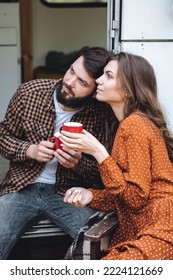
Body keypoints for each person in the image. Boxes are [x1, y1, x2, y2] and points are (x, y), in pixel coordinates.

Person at [0, 47, 118, 259]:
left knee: (98, 245)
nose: (70, 82)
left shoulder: (102, 113)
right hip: (21, 186)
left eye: (82, 83)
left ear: (94, 91)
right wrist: (30, 150)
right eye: (72, 71)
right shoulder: (29, 93)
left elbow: (103, 174)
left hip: (68, 193)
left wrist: (77, 164)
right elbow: (3, 138)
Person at [62, 52, 173, 260]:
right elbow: (127, 193)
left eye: (108, 76)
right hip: (151, 226)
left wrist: (98, 152)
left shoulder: (134, 125)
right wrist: (91, 195)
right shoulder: (128, 124)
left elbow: (135, 199)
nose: (98, 80)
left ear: (130, 89)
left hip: (162, 229)